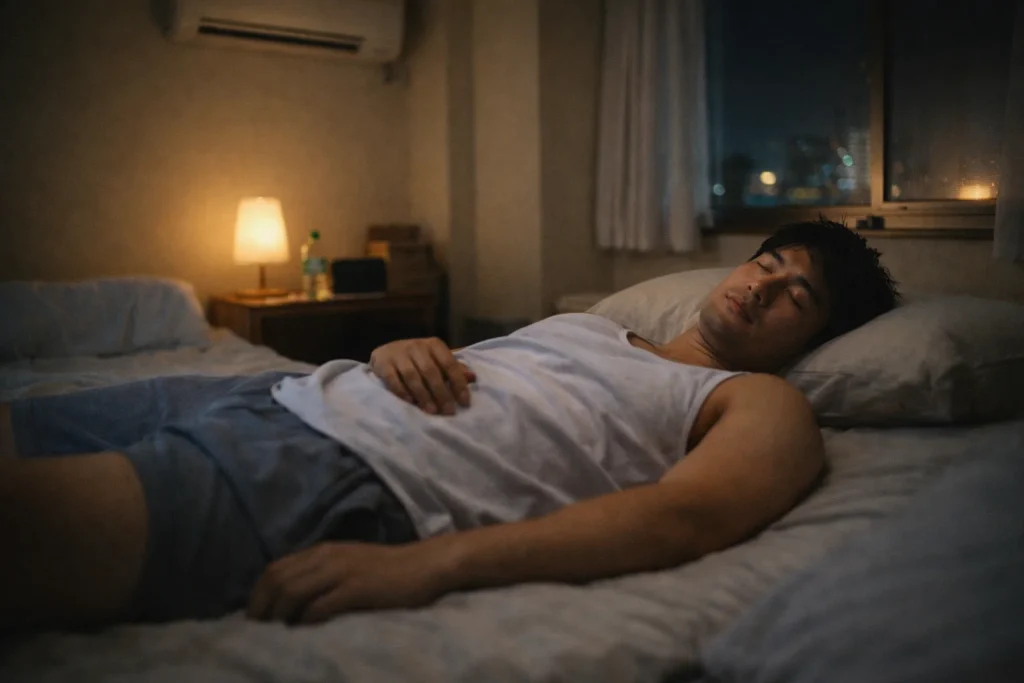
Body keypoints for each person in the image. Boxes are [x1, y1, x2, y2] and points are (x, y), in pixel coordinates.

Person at [0, 219, 899, 632]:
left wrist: (427, 564)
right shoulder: (592, 325)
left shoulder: (759, 401)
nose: (765, 286)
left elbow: (684, 518)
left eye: (799, 296)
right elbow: (472, 368)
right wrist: (397, 345)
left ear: (814, 338)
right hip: (283, 391)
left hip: (335, 467)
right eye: (768, 262)